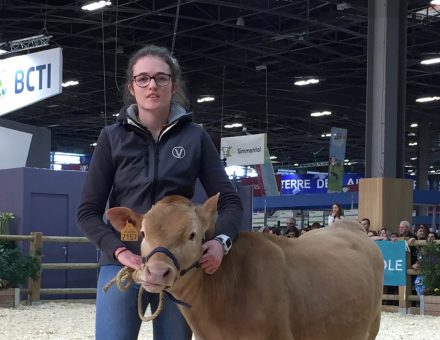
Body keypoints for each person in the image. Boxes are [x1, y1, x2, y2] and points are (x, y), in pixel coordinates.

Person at [77, 45, 243, 340]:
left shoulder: (196, 138)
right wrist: (118, 250)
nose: (151, 84)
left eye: (160, 78)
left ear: (173, 85)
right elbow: (87, 213)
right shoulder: (111, 138)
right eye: (143, 78)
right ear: (132, 87)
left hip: (179, 267)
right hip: (123, 264)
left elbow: (229, 201)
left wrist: (220, 242)